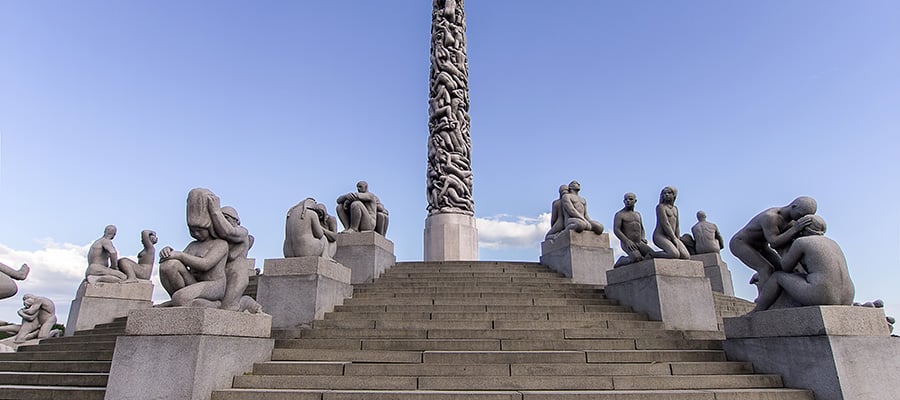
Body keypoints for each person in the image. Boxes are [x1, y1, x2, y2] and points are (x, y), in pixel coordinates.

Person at [753, 215, 854, 311]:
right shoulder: (833, 243)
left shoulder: (801, 242)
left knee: (777, 276)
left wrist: (779, 248)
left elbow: (785, 267)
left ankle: (758, 311)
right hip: (848, 296)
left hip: (822, 294)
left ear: (803, 227)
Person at [729, 196, 817, 294]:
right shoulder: (771, 217)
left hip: (762, 246)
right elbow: (774, 242)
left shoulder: (792, 223)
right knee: (765, 268)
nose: (800, 219)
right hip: (741, 243)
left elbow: (787, 244)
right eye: (800, 215)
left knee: (783, 267)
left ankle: (760, 279)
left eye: (803, 217)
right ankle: (763, 302)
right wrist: (795, 229)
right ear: (794, 206)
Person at [207, 195, 262, 313]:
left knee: (229, 308)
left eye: (226, 218)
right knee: (216, 305)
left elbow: (229, 231)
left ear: (236, 221)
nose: (222, 221)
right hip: (220, 275)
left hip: (237, 274)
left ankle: (248, 303)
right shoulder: (219, 238)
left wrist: (215, 210)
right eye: (221, 218)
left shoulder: (242, 231)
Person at [613, 192, 655, 267]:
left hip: (639, 242)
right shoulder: (620, 214)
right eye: (626, 199)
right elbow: (617, 230)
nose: (628, 201)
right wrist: (626, 241)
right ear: (624, 201)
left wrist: (642, 238)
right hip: (627, 243)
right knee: (637, 258)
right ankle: (622, 260)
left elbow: (641, 228)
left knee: (653, 255)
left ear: (635, 201)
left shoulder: (637, 214)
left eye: (630, 199)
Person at [652, 186, 690, 259]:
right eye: (664, 193)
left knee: (686, 256)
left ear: (674, 195)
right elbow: (665, 224)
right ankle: (652, 254)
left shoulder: (675, 209)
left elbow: (677, 226)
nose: (666, 195)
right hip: (660, 236)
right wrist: (673, 238)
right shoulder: (660, 207)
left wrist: (677, 239)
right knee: (674, 254)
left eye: (669, 193)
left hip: (672, 236)